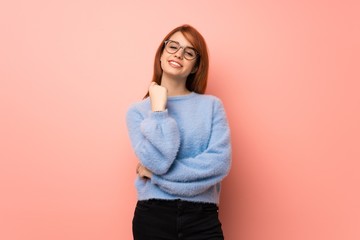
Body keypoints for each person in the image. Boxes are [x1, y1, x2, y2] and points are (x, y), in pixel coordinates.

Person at [126, 24, 232, 240]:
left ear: (195, 66)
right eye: (173, 46)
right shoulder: (138, 111)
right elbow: (159, 162)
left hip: (203, 218)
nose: (179, 54)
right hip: (153, 216)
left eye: (189, 52)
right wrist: (158, 111)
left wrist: (157, 177)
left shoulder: (211, 106)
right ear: (162, 54)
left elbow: (218, 164)